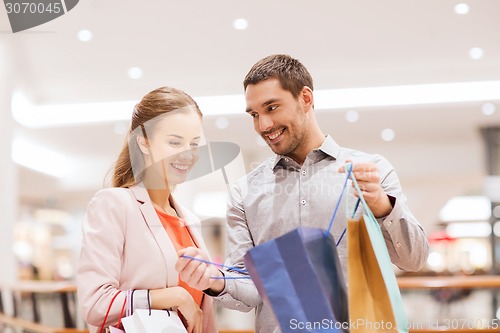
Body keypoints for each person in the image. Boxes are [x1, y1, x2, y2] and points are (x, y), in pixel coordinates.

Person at [176, 54, 430, 333]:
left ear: (306, 98)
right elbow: (248, 290)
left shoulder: (371, 171)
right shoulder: (244, 193)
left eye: (272, 107)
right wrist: (216, 280)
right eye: (255, 115)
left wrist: (382, 205)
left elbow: (413, 258)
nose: (264, 125)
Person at [77, 87, 217, 333]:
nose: (188, 154)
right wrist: (172, 296)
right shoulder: (114, 205)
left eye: (194, 144)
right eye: (175, 142)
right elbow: (95, 304)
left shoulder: (190, 220)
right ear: (144, 142)